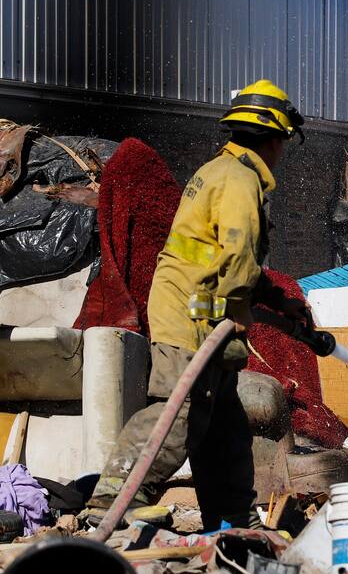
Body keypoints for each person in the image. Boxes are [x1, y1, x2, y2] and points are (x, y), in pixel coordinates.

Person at [83, 80, 312, 530]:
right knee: (181, 412)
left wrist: (278, 301)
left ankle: (232, 521)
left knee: (225, 428)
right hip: (193, 316)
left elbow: (227, 256)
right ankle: (112, 499)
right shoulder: (241, 181)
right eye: (283, 142)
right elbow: (238, 257)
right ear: (274, 138)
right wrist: (243, 309)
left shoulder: (220, 172)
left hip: (200, 312)